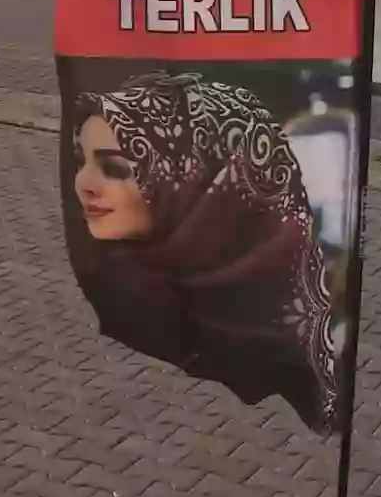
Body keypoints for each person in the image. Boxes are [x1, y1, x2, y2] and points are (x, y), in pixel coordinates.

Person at [68, 70, 338, 431]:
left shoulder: (301, 316)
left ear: (203, 175)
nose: (84, 183)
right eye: (81, 160)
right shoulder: (123, 281)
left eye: (115, 168)